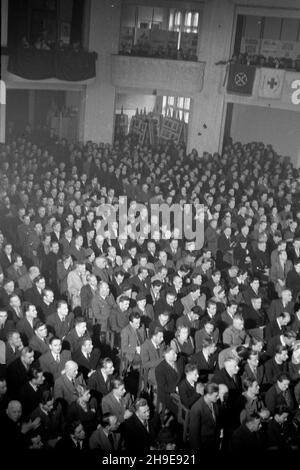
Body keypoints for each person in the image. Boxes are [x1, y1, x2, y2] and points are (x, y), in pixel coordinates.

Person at [189, 383, 221, 451]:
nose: (218, 397)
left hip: (214, 442)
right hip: (203, 445)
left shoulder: (215, 403)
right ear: (208, 395)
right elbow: (194, 435)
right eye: (216, 395)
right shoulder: (196, 409)